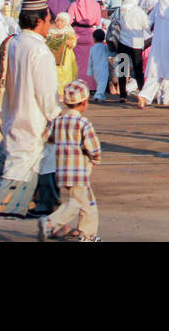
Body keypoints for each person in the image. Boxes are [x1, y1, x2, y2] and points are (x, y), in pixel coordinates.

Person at [0, 0, 62, 242]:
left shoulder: (14, 42)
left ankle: (54, 224)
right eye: (49, 21)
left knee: (46, 174)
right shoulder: (39, 50)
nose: (51, 25)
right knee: (14, 178)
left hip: (15, 117)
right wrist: (58, 117)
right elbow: (47, 95)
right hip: (34, 123)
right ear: (40, 21)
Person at [43, 80, 102, 241]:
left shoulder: (58, 120)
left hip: (61, 169)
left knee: (88, 202)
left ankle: (86, 231)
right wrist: (95, 159)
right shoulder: (83, 123)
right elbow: (93, 146)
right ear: (84, 102)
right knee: (78, 204)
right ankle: (51, 223)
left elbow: (46, 137)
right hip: (78, 171)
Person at [112, 0, 150, 101]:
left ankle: (122, 94)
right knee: (138, 69)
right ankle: (141, 92)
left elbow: (113, 22)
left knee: (122, 69)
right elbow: (146, 25)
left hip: (121, 42)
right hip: (137, 41)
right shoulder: (139, 11)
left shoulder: (119, 10)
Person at [67, 0, 104, 93]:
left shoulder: (74, 5)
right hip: (91, 36)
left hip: (77, 36)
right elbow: (98, 21)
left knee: (78, 62)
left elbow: (68, 20)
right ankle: (92, 86)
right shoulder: (96, 5)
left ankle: (78, 85)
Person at [87, 30, 110, 103]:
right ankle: (98, 95)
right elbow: (111, 54)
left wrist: (89, 71)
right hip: (103, 68)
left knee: (99, 83)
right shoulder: (105, 47)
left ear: (94, 38)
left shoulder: (92, 48)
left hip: (95, 68)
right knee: (103, 82)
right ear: (104, 38)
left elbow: (90, 61)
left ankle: (102, 96)